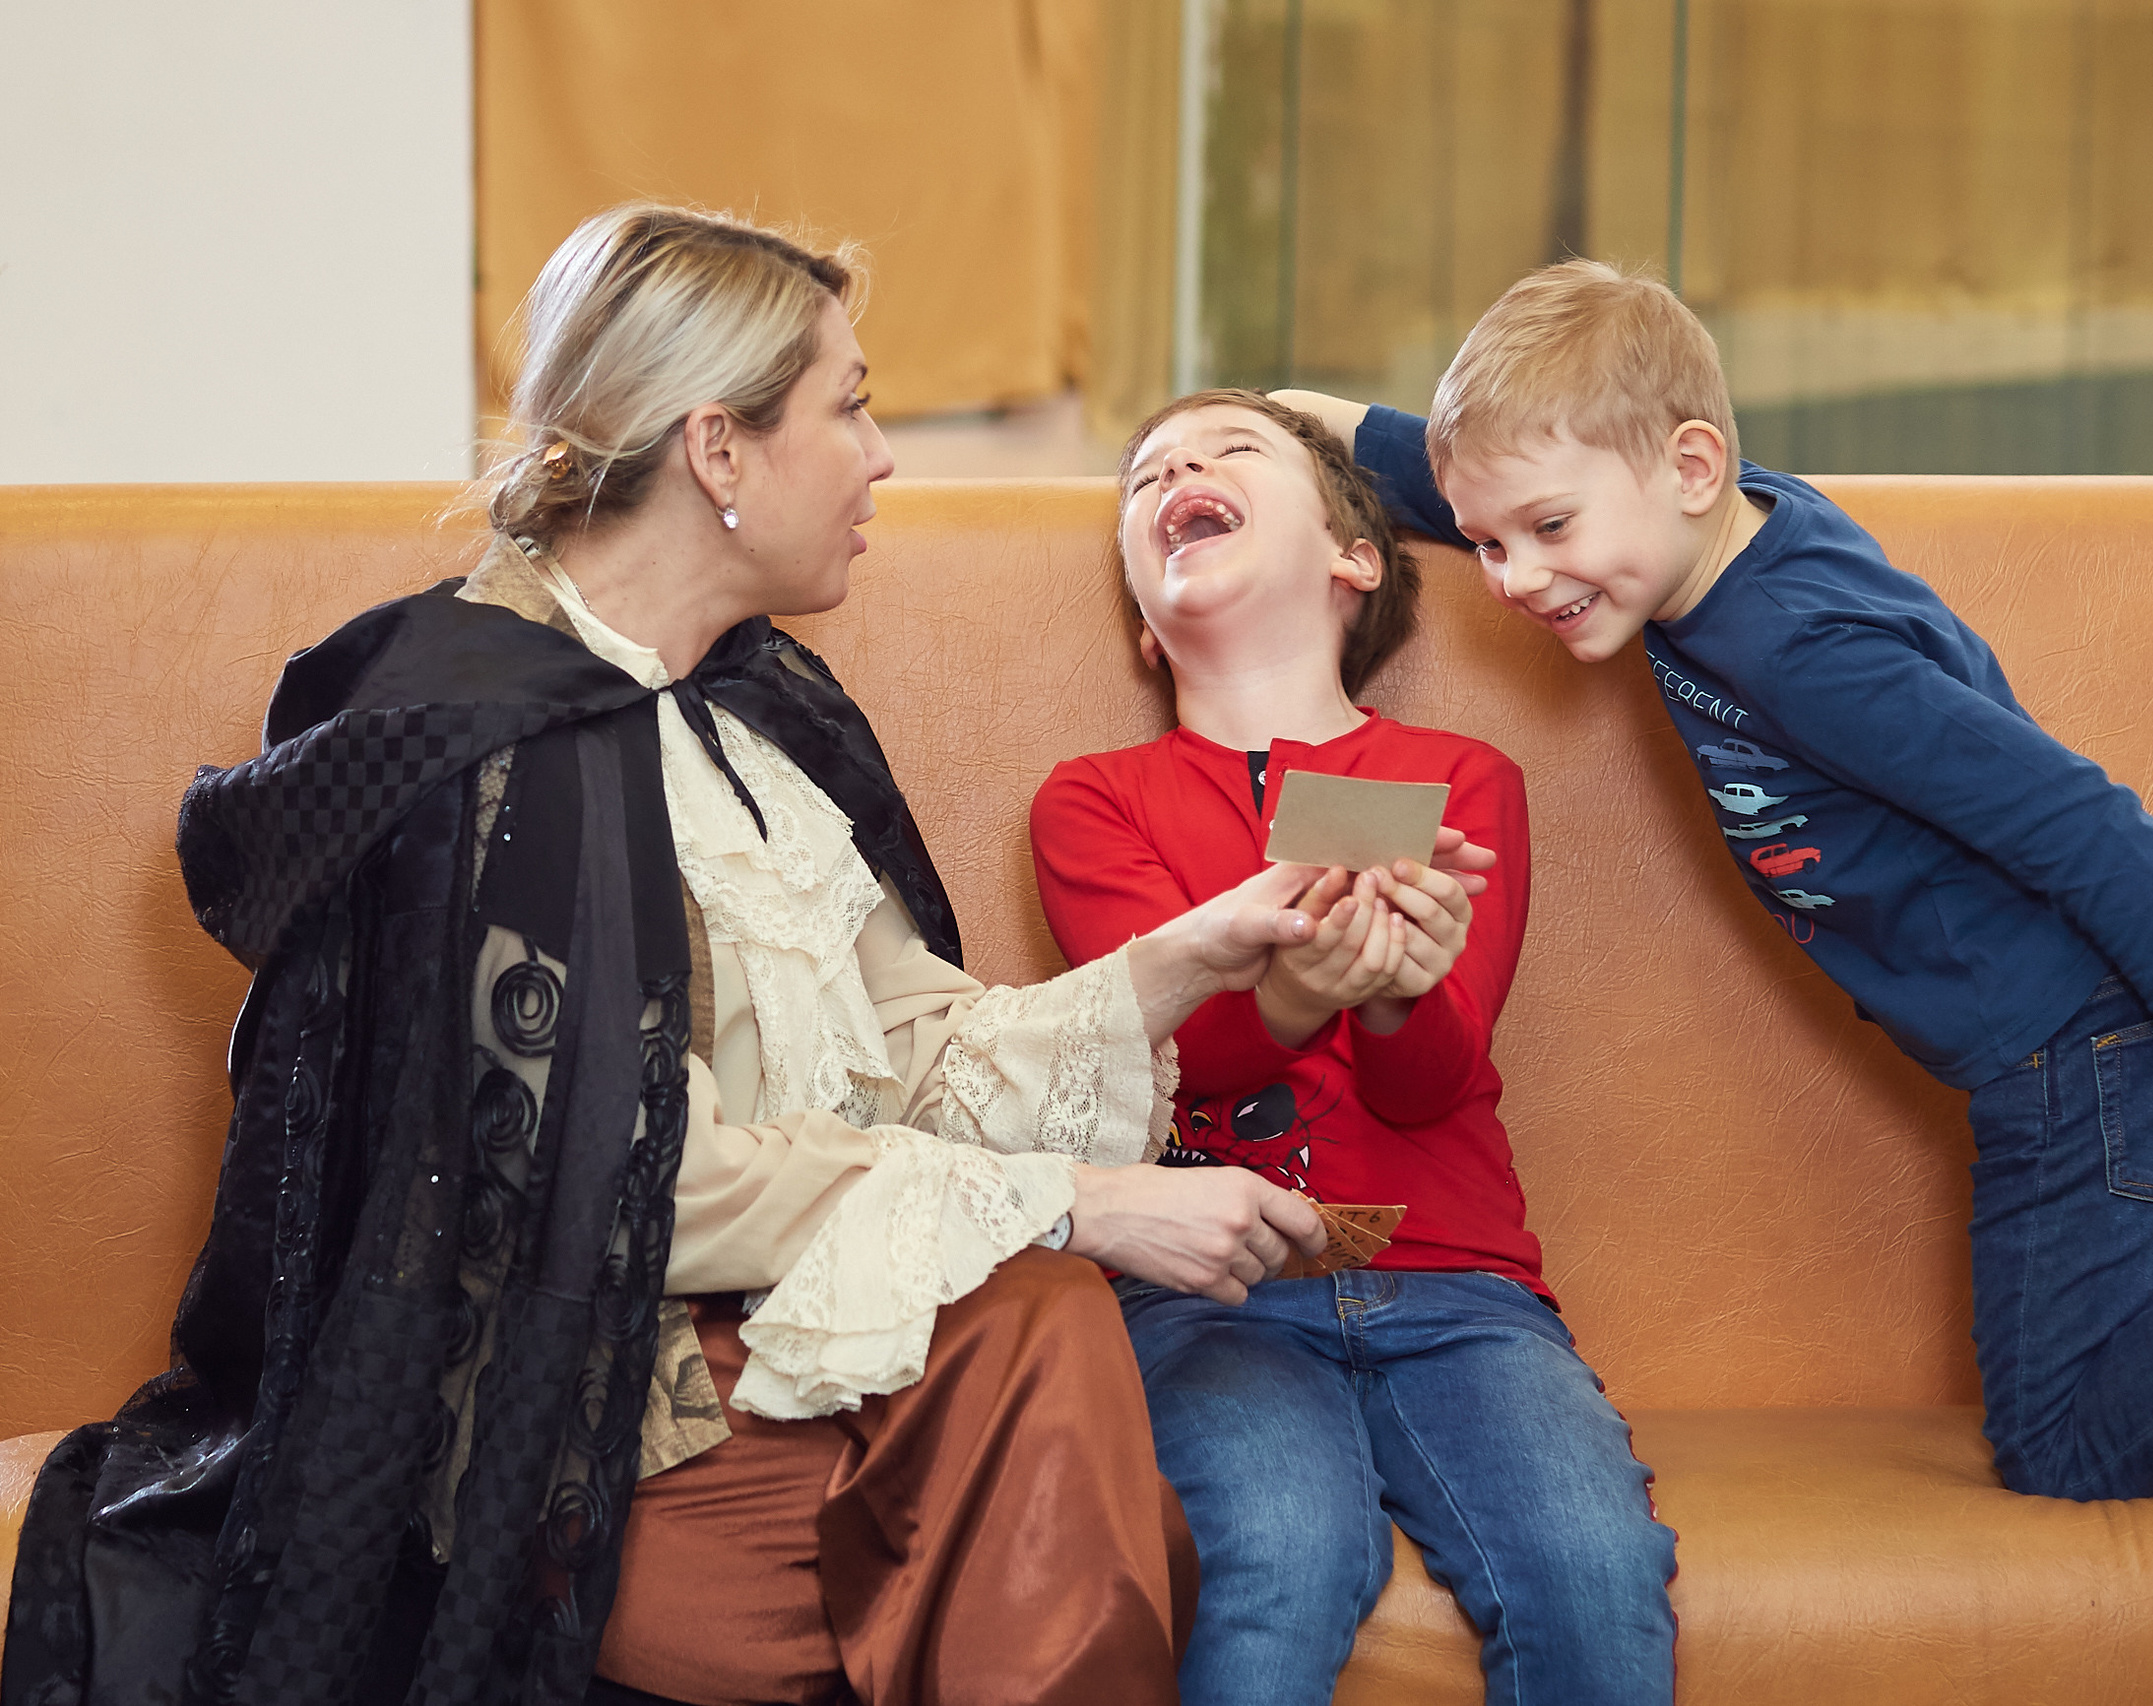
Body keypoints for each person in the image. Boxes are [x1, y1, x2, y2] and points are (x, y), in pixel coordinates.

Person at [0, 207, 1342, 1706]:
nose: (882, 454)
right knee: (1048, 1358)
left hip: (819, 1351)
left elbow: (911, 1053)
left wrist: (1196, 957)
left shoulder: (756, 714)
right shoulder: (484, 735)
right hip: (601, 1425)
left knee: (1040, 1348)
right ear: (720, 452)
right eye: (849, 404)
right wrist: (1081, 1200)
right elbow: (633, 1172)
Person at [1266, 259, 2153, 1504]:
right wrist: (1269, 424)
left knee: (2067, 1440)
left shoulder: (1804, 648)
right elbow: (1482, 471)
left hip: (2078, 1054)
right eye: (1488, 544)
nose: (1515, 579)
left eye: (1543, 532)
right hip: (2108, 1038)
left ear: (1694, 466)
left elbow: (2077, 819)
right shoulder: (1691, 527)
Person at [1028, 389, 1678, 1706]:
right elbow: (1165, 1056)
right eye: (1147, 474)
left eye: (1230, 451)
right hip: (1212, 1293)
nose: (1181, 469)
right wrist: (1287, 1000)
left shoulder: (1461, 778)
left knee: (1594, 1567)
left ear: (1354, 559)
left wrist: (1381, 996)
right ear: (1145, 631)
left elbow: (1434, 1079)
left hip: (1463, 1287)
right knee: (1279, 1550)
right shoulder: (1093, 799)